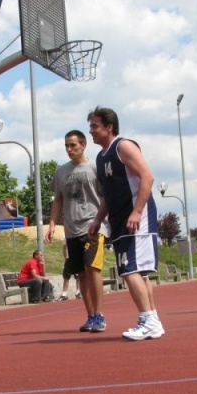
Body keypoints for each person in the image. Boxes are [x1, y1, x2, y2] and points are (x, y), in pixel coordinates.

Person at [86, 106, 165, 341]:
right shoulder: (101, 158)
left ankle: (147, 320)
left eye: (95, 126)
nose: (91, 131)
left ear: (109, 127)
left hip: (137, 217)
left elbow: (147, 177)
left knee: (129, 269)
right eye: (90, 127)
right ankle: (152, 320)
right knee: (137, 272)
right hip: (119, 220)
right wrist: (98, 219)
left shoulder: (124, 146)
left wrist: (137, 211)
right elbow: (107, 195)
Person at [47, 129, 108, 332]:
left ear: (83, 145)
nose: (69, 149)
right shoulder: (61, 171)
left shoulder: (94, 167)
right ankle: (90, 316)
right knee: (81, 273)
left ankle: (99, 315)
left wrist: (101, 220)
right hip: (71, 229)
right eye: (66, 145)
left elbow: (105, 196)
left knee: (92, 268)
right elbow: (58, 199)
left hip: (93, 226)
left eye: (73, 145)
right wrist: (53, 223)